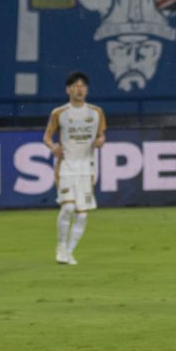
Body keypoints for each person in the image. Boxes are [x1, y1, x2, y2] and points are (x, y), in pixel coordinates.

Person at [43, 71, 106, 266]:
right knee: (68, 207)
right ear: (68, 89)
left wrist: (100, 141)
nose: (79, 89)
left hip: (87, 170)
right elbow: (47, 137)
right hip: (67, 168)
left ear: (86, 90)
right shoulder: (59, 113)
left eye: (82, 86)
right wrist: (53, 147)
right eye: (75, 86)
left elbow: (101, 136)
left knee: (83, 213)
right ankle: (60, 247)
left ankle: (69, 252)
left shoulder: (96, 112)